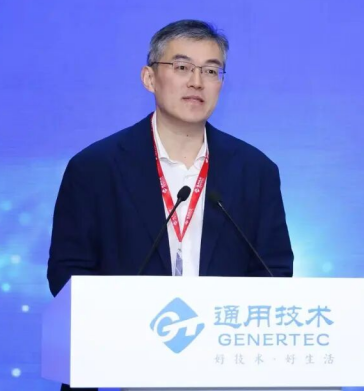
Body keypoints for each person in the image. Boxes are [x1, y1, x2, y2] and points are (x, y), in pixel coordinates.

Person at [47, 19, 294, 297]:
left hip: (222, 323)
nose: (196, 82)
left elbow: (274, 272)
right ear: (149, 79)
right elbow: (68, 272)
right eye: (182, 67)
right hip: (127, 323)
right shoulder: (95, 169)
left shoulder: (255, 171)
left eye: (210, 71)